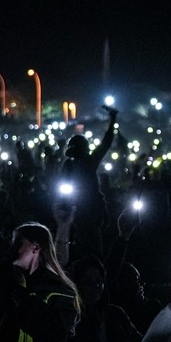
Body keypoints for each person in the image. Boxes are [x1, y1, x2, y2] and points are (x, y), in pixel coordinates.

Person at [58, 106, 119, 262]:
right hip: (72, 207)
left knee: (93, 245)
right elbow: (61, 184)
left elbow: (106, 143)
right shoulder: (68, 165)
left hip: (91, 208)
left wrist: (112, 120)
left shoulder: (90, 161)